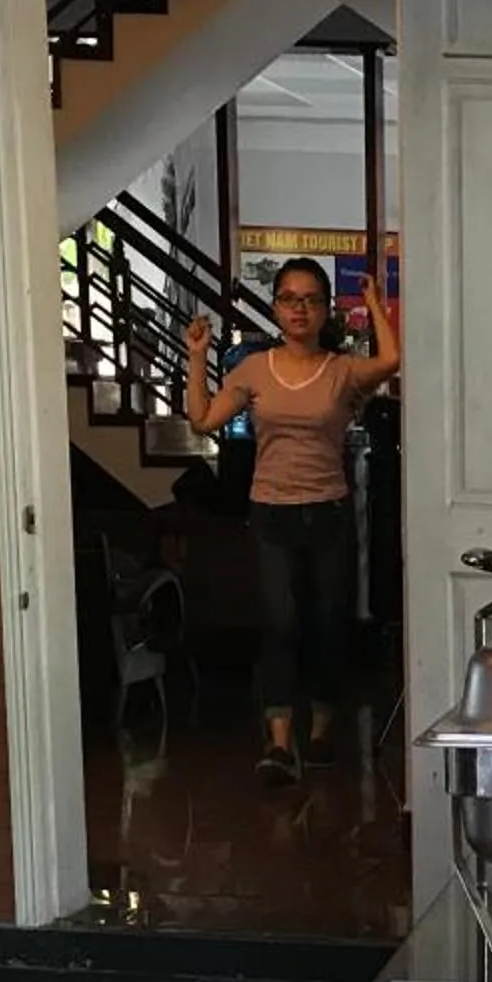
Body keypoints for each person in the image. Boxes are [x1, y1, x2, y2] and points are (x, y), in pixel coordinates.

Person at [184, 258, 400, 783]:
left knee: (328, 624)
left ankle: (323, 730)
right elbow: (203, 417)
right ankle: (279, 743)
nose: (298, 309)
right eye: (288, 298)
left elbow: (391, 360)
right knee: (279, 625)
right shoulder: (255, 369)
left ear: (324, 308)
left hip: (328, 512)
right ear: (276, 306)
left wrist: (371, 299)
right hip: (271, 513)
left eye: (310, 299)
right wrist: (196, 357)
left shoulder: (343, 370)